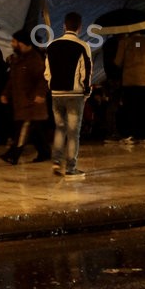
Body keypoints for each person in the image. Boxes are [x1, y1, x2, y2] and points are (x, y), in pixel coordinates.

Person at [45, 12, 92, 179]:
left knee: (60, 128)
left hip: (56, 93)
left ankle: (56, 161)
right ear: (79, 27)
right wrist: (86, 91)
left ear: (64, 26)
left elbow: (47, 72)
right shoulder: (82, 46)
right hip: (75, 94)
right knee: (73, 132)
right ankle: (71, 168)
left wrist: (51, 86)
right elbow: (86, 71)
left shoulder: (52, 46)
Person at [0, 29, 50, 165]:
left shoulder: (34, 59)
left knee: (23, 129)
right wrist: (5, 93)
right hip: (21, 103)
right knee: (35, 131)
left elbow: (42, 79)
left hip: (31, 104)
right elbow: (12, 80)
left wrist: (40, 94)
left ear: (22, 43)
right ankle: (44, 152)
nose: (12, 44)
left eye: (14, 41)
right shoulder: (18, 59)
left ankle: (13, 154)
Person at [114, 28, 145, 142]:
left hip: (129, 81)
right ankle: (144, 135)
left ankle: (129, 134)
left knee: (130, 108)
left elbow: (118, 62)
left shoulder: (124, 42)